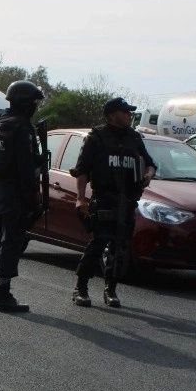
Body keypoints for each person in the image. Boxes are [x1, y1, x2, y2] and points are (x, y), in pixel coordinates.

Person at [71, 97, 157, 308]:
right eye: (125, 112)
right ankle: (81, 288)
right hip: (104, 198)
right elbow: (82, 170)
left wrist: (148, 175)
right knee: (99, 243)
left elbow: (151, 165)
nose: (130, 115)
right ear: (112, 115)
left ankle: (111, 290)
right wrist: (80, 198)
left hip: (127, 200)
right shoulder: (97, 137)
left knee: (120, 246)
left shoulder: (134, 138)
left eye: (130, 112)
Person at [0, 80, 44, 312]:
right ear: (26, 103)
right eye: (34, 103)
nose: (35, 107)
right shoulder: (22, 128)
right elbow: (26, 170)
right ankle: (2, 293)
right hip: (14, 190)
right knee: (11, 240)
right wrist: (33, 200)